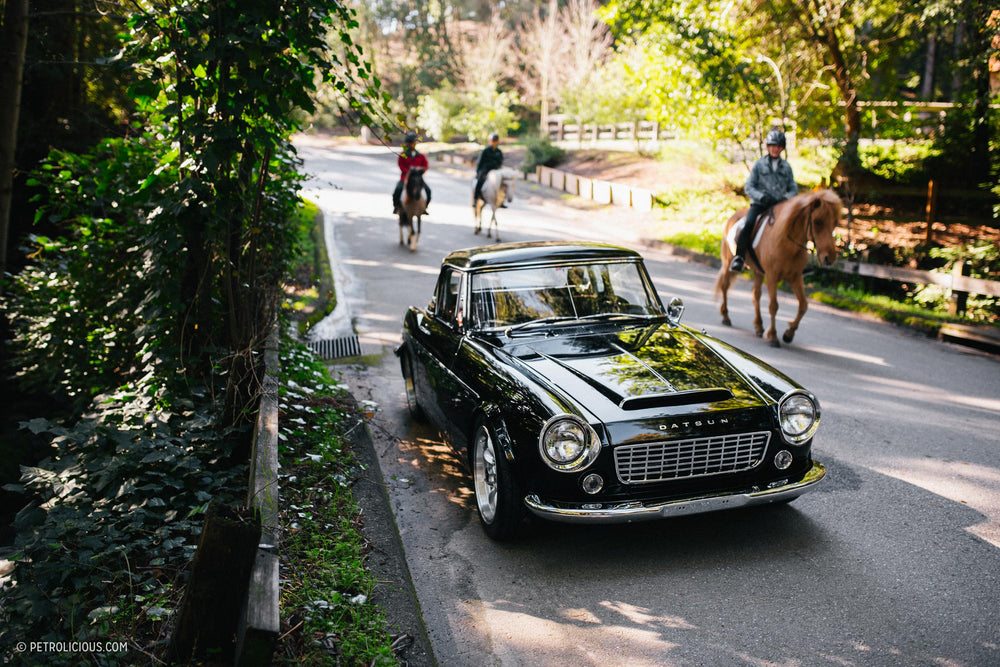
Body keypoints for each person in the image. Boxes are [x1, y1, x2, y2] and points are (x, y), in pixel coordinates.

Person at [729, 129, 798, 272]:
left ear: (782, 148)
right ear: (768, 147)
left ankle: (797, 263)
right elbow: (749, 186)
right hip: (760, 204)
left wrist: (786, 199)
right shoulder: (759, 165)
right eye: (773, 145)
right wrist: (761, 196)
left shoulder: (786, 167)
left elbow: (793, 188)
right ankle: (739, 257)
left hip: (780, 206)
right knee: (748, 224)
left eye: (779, 146)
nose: (776, 149)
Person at [393, 131, 431, 215]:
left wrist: (420, 171)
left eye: (413, 143)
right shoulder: (403, 155)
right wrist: (410, 172)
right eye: (410, 143)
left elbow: (425, 165)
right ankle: (396, 207)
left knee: (428, 190)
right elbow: (401, 166)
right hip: (406, 178)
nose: (412, 145)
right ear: (407, 144)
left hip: (418, 178)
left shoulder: (421, 156)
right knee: (397, 190)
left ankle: (424, 207)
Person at [473, 132, 504, 207]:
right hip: (485, 169)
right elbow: (480, 161)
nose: (494, 142)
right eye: (493, 140)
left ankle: (502, 200)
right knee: (480, 180)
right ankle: (476, 198)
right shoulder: (486, 150)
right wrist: (478, 171)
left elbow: (500, 162)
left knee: (503, 182)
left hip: (495, 170)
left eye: (495, 141)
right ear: (490, 141)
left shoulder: (498, 152)